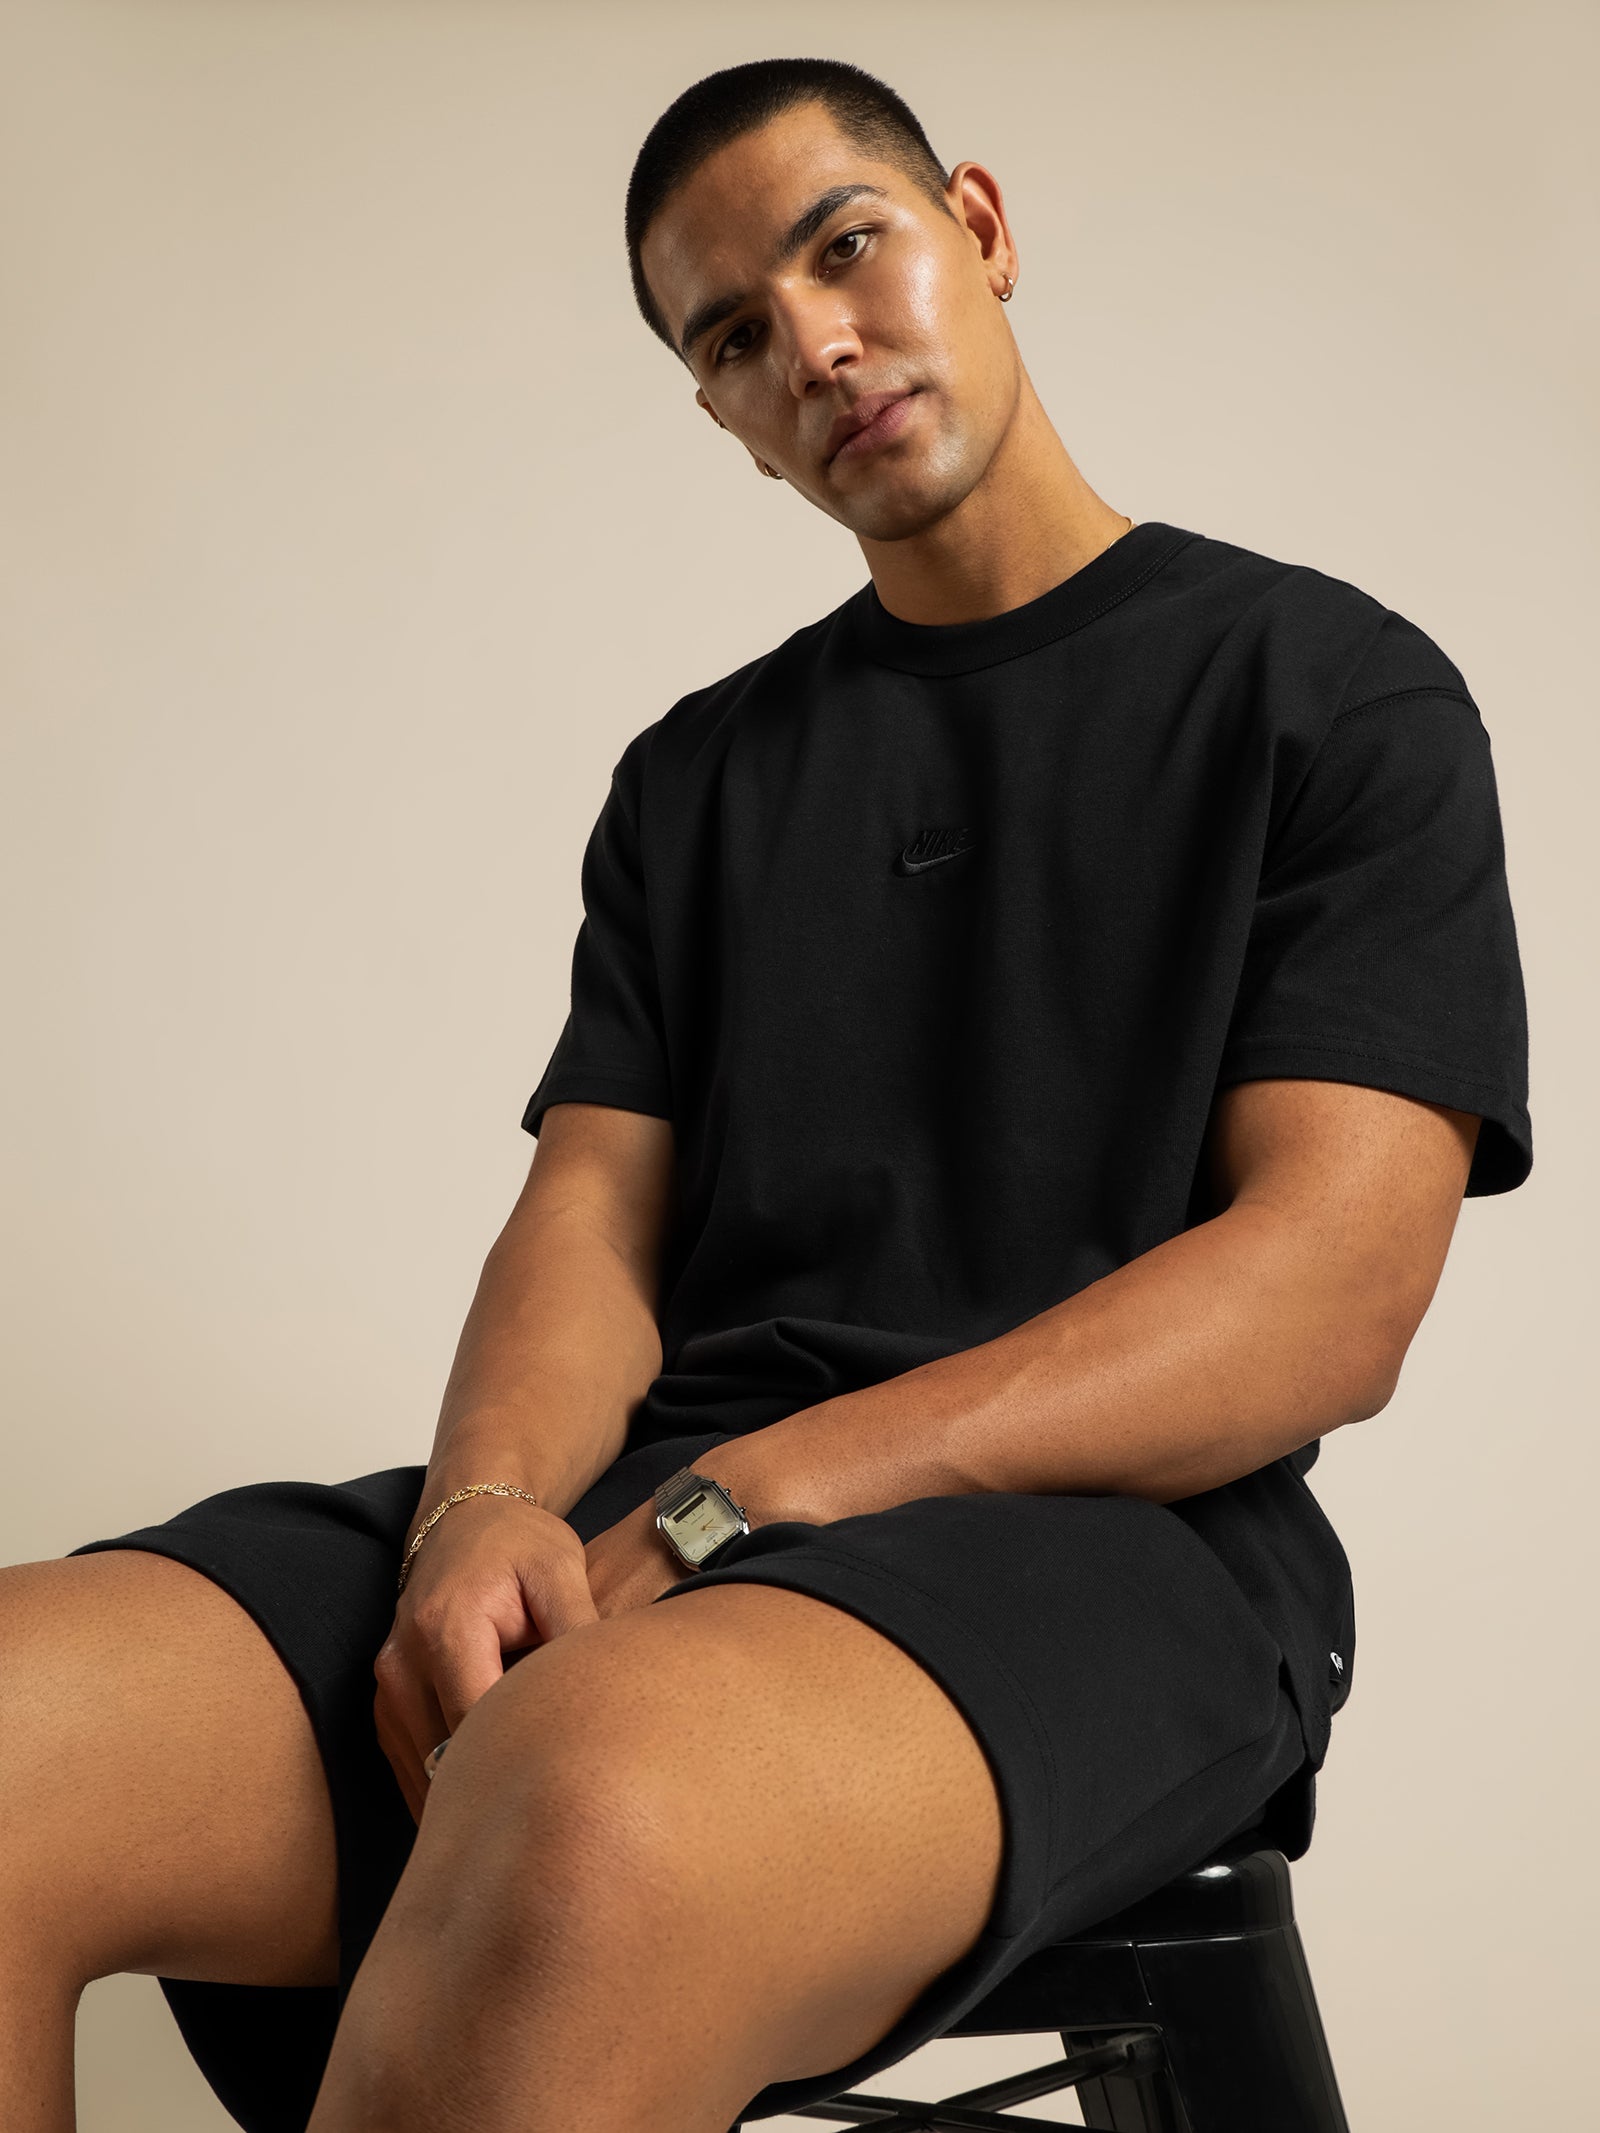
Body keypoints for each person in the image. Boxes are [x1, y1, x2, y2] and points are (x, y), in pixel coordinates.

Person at [4, 54, 1530, 2133]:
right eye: (730, 336)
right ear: (717, 414)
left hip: (1126, 1550)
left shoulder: (1332, 694)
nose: (812, 344)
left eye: (847, 247)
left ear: (978, 226)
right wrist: (482, 1512)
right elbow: (591, 1220)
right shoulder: (695, 780)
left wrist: (766, 1490)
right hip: (671, 1506)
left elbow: (1326, 1292)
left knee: (580, 1788)